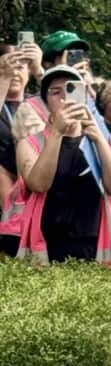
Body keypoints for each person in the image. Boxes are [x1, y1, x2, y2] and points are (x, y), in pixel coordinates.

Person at [14, 64, 111, 264]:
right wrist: (57, 133)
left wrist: (99, 139)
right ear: (46, 102)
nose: (64, 98)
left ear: (84, 97)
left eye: (71, 90)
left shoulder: (107, 142)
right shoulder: (30, 143)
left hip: (95, 247)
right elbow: (38, 184)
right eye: (55, 92)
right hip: (46, 248)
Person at [0, 43, 39, 256]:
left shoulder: (36, 102)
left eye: (21, 66)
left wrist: (40, 69)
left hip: (34, 174)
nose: (15, 72)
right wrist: (3, 79)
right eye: (10, 65)